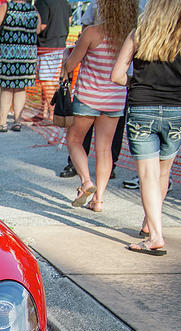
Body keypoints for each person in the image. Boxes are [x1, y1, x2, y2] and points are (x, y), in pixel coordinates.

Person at [112, 0, 181, 255]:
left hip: (143, 106)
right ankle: (149, 223)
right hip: (178, 108)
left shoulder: (140, 32)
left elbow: (117, 76)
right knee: (163, 173)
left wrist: (136, 82)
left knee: (147, 176)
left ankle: (155, 236)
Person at [62, 0, 136, 213]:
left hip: (88, 97)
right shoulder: (131, 36)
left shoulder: (92, 33)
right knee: (105, 149)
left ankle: (86, 181)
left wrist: (68, 54)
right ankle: (99, 199)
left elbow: (70, 65)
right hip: (114, 99)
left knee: (75, 140)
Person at [0, 0, 42, 132]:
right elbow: (37, 30)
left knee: (6, 88)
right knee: (20, 88)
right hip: (27, 54)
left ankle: (2, 123)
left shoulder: (6, 8)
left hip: (9, 52)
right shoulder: (33, 10)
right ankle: (17, 121)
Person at [35, 0, 71, 121]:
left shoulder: (42, 2)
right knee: (52, 80)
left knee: (46, 81)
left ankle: (52, 114)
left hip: (46, 46)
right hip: (60, 45)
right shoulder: (64, 2)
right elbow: (70, 19)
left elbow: (41, 25)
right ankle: (42, 113)